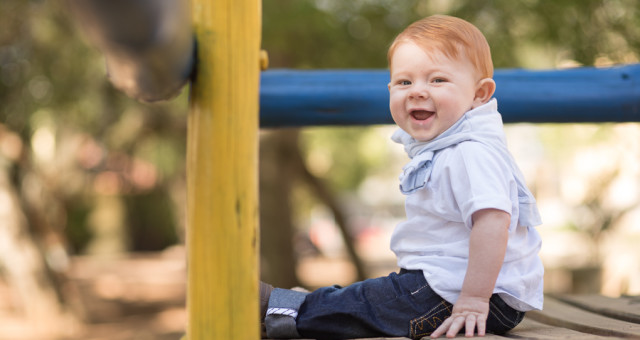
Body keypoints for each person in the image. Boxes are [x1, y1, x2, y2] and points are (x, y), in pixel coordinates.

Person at [260, 14, 543, 339]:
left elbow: (493, 223)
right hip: (451, 285)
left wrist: (474, 300)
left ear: (479, 94)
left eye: (437, 80)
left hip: (475, 296)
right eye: (404, 82)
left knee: (375, 302)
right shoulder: (448, 147)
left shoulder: (470, 152)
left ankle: (282, 310)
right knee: (376, 298)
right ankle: (296, 307)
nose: (417, 92)